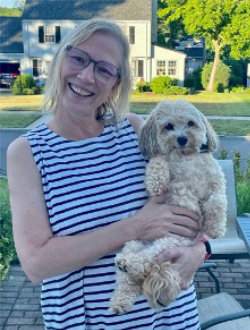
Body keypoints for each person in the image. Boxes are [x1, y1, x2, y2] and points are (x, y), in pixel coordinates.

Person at [7, 19, 207, 329]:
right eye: (78, 58)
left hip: (172, 319)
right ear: (61, 59)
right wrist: (135, 227)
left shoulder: (136, 131)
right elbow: (35, 264)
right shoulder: (28, 153)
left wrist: (200, 251)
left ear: (116, 82)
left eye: (103, 69)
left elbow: (199, 194)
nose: (86, 76)